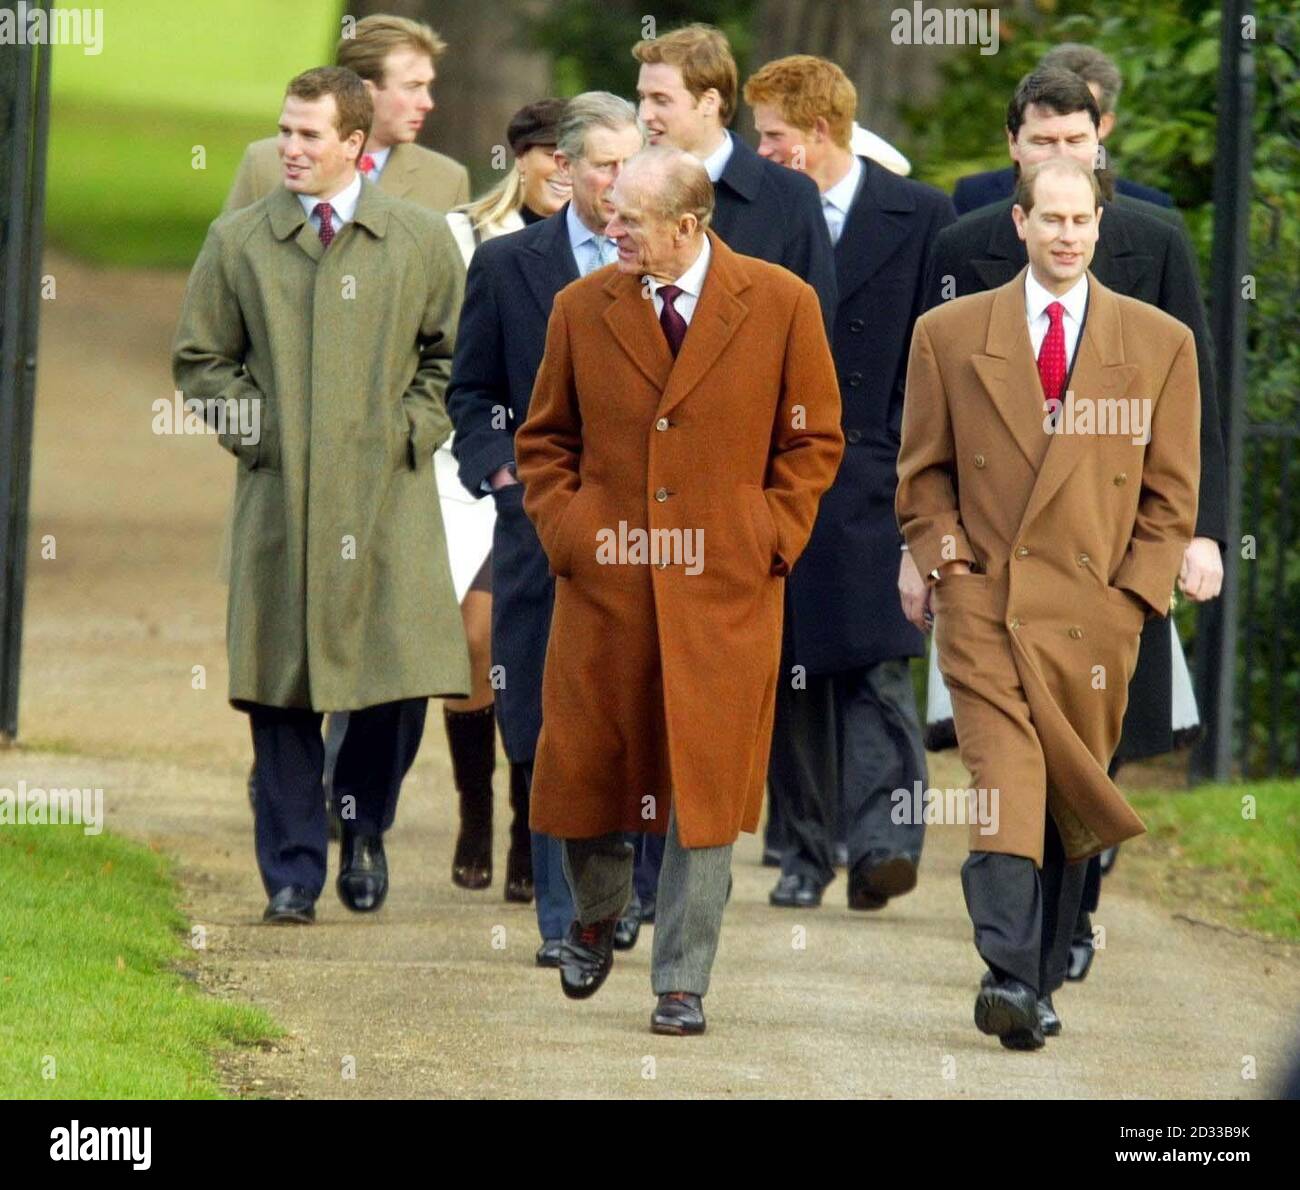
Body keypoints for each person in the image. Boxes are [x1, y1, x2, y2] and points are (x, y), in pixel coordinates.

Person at [515, 145, 843, 1035]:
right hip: (606, 585)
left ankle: (682, 980)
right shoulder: (581, 309)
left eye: (627, 218)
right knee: (585, 770)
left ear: (688, 227)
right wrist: (571, 532)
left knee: (704, 789)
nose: (607, 227)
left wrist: (767, 536)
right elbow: (545, 442)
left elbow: (812, 442)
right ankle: (594, 912)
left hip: (727, 590)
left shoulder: (782, 304)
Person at [922, 67, 1228, 983]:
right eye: (1048, 215)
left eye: (1081, 216)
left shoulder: (1157, 327)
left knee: (1074, 784)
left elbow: (1179, 464)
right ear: (1020, 216)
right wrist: (943, 565)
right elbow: (922, 461)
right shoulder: (953, 310)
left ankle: (1045, 968)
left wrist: (1145, 584)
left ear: (1103, 215)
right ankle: (1011, 971)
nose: (1066, 231)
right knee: (1005, 775)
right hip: (988, 593)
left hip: (1100, 597)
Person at [173, 67, 469, 922]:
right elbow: (201, 360)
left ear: (354, 143)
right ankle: (295, 876)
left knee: (392, 679)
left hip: (388, 501)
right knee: (279, 689)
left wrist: (410, 431)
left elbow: (453, 358)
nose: (289, 150)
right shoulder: (238, 241)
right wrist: (262, 434)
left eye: (309, 135)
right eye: (284, 132)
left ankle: (363, 829)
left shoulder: (417, 238)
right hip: (282, 502)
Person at [630, 21, 838, 912]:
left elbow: (813, 362)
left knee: (742, 704)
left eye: (659, 100)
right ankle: (622, 900)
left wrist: (774, 522)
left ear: (712, 104)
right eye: (640, 99)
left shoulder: (783, 204)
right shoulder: (625, 188)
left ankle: (789, 847)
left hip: (737, 518)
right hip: (631, 519)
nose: (643, 115)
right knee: (629, 712)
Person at [744, 54, 955, 910]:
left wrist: (915, 451)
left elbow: (940, 347)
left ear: (817, 134)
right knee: (791, 665)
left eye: (772, 137)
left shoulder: (922, 213)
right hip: (780, 469)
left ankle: (882, 843)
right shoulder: (754, 218)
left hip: (879, 467)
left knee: (878, 660)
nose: (758, 153)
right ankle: (801, 852)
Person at [446, 94, 645, 966]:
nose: (618, 180)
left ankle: (620, 895)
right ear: (564, 168)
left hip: (648, 533)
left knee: (632, 716)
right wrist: (504, 478)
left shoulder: (673, 262)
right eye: (604, 163)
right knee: (539, 712)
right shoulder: (507, 265)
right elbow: (472, 392)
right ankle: (566, 919)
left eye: (630, 162)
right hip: (539, 528)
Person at [437, 99, 570, 902]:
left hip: (553, 478)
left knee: (518, 639)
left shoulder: (611, 240)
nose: (560, 166)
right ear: (520, 157)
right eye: (548, 153)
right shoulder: (466, 237)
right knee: (470, 643)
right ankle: (473, 812)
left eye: (573, 153)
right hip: (476, 463)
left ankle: (529, 824)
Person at [225, 14, 468, 214]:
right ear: (365, 91)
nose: (427, 103)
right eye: (413, 87)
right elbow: (225, 263)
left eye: (428, 87)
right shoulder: (263, 164)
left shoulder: (447, 181)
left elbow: (451, 273)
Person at [952, 43, 1173, 215]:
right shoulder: (974, 197)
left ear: (1103, 124)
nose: (1062, 121)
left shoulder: (1151, 211)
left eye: (1081, 108)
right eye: (1053, 105)